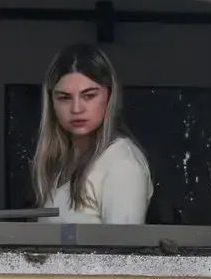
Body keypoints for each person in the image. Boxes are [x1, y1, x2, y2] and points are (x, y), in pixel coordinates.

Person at [32, 43, 152, 225]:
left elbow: (123, 244)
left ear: (109, 96)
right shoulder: (60, 163)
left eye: (89, 95)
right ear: (52, 102)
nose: (76, 109)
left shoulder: (122, 164)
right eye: (64, 98)